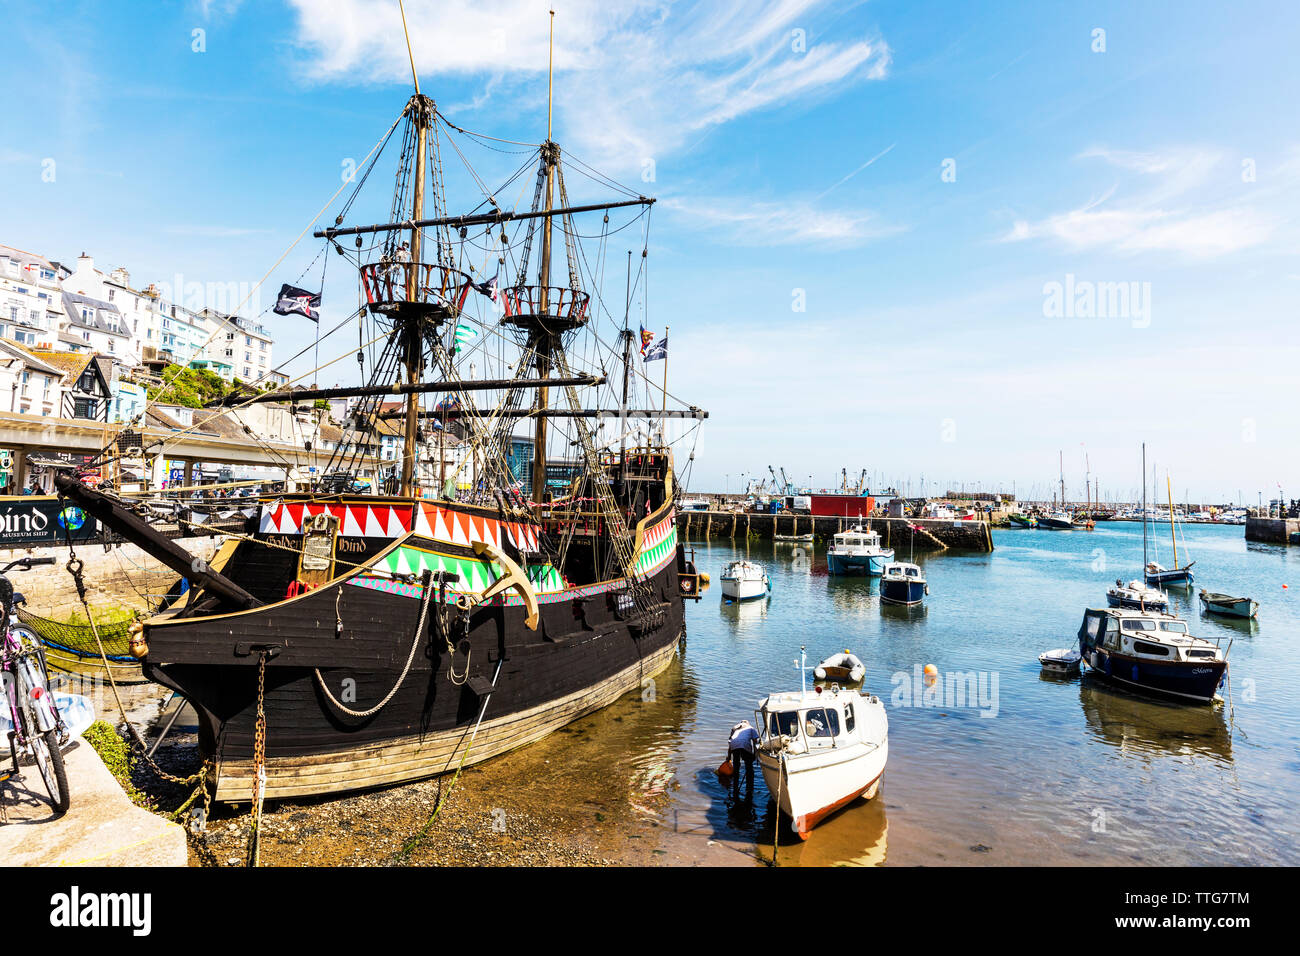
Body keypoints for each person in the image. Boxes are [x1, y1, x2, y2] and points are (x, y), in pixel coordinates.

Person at [726, 719, 760, 801]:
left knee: (736, 767)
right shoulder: (751, 728)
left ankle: (735, 787)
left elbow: (731, 743)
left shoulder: (735, 728)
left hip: (734, 745)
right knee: (749, 768)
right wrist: (755, 755)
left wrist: (729, 757)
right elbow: (755, 743)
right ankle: (749, 789)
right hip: (744, 745)